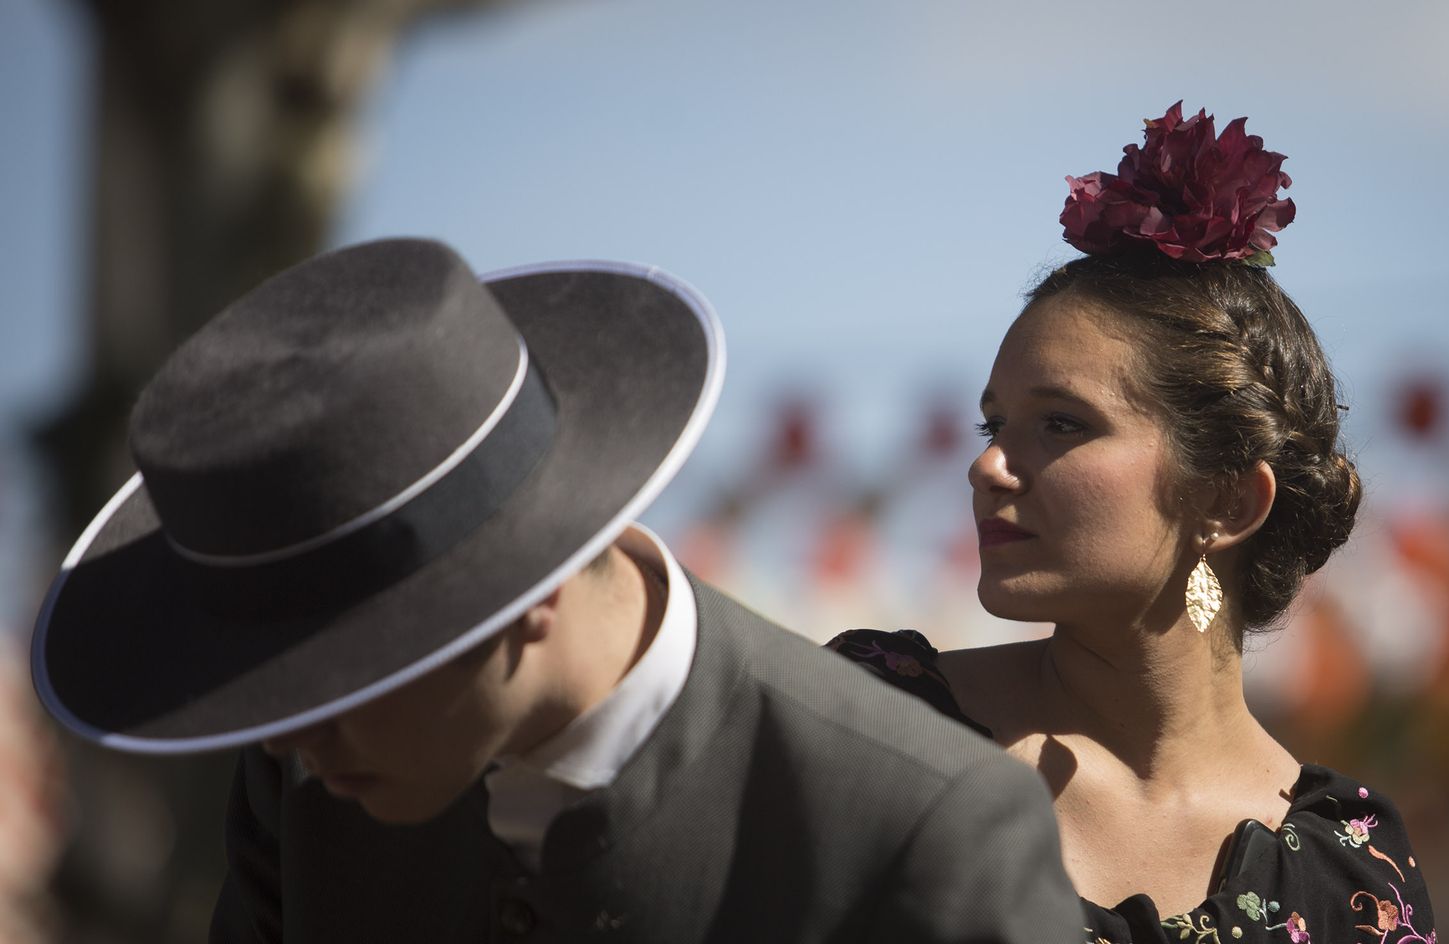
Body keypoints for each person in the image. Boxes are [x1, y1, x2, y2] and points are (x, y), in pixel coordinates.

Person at [31, 238, 1083, 942]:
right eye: (269, 686)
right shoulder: (305, 788)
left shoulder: (922, 828)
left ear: (521, 587)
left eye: (346, 669)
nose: (295, 734)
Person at [831, 103, 1439, 944]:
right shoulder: (867, 726)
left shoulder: (1353, 873)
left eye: (1061, 424)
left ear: (1228, 502)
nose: (987, 467)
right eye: (992, 425)